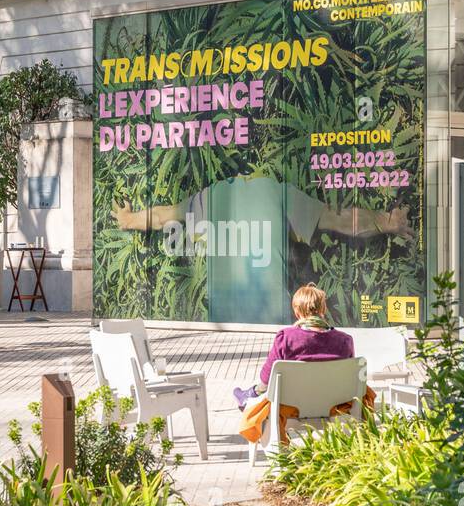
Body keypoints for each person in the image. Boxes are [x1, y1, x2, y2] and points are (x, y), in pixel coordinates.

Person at [113, 174, 410, 324]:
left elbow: (164, 216)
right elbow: (340, 220)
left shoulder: (211, 196)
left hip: (221, 325)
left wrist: (128, 220)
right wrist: (387, 222)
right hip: (272, 321)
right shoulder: (277, 192)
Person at [237, 283, 373, 444]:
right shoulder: (345, 340)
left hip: (292, 407)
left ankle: (279, 448)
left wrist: (256, 391)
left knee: (257, 398)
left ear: (296, 311)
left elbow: (266, 379)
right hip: (334, 405)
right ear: (323, 309)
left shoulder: (286, 338)